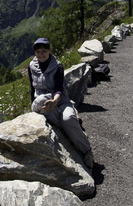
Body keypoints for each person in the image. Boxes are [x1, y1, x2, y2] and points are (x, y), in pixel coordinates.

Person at [28, 38, 94, 169]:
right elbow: (32, 88)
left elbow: (58, 88)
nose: (41, 54)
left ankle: (86, 151)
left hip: (59, 99)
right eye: (38, 51)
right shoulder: (31, 66)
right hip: (41, 101)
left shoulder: (57, 66)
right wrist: (33, 109)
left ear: (49, 50)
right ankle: (71, 131)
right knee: (42, 100)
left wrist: (54, 101)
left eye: (44, 51)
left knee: (68, 118)